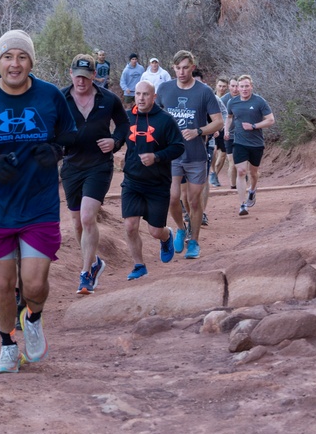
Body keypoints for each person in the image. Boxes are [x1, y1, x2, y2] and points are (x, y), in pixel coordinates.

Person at [0, 30, 77, 374]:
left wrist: (55, 150)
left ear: (31, 62)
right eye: (8, 57)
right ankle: (8, 346)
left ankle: (33, 319)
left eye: (22, 57)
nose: (15, 64)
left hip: (38, 203)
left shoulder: (50, 96)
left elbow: (68, 135)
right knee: (2, 285)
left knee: (35, 284)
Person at [61, 54, 129, 294]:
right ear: (71, 75)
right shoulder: (60, 98)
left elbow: (124, 125)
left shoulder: (108, 99)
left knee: (89, 217)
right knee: (77, 222)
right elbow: (48, 126)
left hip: (99, 165)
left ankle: (86, 273)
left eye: (86, 76)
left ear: (93, 75)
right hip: (71, 165)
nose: (81, 81)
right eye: (77, 76)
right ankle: (95, 261)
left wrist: (115, 141)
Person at [156, 51, 223, 260]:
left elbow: (219, 121)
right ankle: (180, 228)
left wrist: (199, 131)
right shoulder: (165, 89)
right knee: (172, 198)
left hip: (196, 155)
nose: (181, 72)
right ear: (173, 68)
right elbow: (155, 116)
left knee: (194, 202)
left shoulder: (204, 92)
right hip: (172, 155)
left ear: (192, 67)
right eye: (178, 68)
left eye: (185, 67)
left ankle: (194, 242)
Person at [121, 81, 185, 280]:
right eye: (138, 94)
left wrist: (156, 157)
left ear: (154, 97)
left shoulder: (165, 120)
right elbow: (118, 137)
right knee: (130, 225)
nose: (141, 98)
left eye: (146, 94)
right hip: (132, 181)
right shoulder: (127, 116)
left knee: (155, 231)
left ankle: (166, 236)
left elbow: (179, 146)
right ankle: (139, 265)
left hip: (157, 184)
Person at [226, 75, 275, 217]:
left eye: (247, 86)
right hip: (239, 142)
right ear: (237, 88)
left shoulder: (259, 101)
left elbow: (270, 120)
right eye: (241, 86)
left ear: (251, 86)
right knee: (241, 171)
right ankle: (242, 204)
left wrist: (254, 126)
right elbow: (229, 117)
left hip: (256, 143)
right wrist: (226, 129)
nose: (244, 89)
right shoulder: (232, 102)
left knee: (253, 173)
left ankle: (252, 190)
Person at [210, 77, 229, 187]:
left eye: (224, 86)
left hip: (223, 127)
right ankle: (212, 172)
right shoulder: (210, 96)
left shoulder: (227, 99)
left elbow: (227, 113)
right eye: (220, 86)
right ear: (216, 85)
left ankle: (215, 175)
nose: (222, 88)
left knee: (223, 154)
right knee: (214, 150)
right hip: (212, 126)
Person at [221, 77, 240, 190]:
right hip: (229, 135)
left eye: (237, 86)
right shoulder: (223, 100)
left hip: (243, 135)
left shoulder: (245, 98)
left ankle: (241, 181)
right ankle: (233, 187)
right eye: (232, 86)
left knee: (243, 163)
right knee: (232, 162)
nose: (235, 88)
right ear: (229, 86)